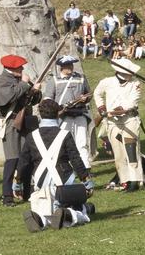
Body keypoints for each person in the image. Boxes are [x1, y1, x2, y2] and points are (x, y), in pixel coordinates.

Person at [24, 99, 94, 231]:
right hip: (64, 181)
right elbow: (75, 160)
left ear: (40, 114)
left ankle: (40, 220)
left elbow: (23, 163)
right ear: (58, 114)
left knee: (45, 209)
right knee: (81, 212)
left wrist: (17, 183)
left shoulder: (31, 136)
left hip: (40, 183)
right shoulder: (65, 134)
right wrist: (86, 180)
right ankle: (68, 214)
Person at [0, 55, 35, 205]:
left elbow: (32, 99)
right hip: (11, 121)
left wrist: (35, 90)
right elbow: (10, 97)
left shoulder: (20, 80)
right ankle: (7, 195)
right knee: (12, 159)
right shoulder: (0, 81)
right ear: (11, 68)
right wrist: (25, 84)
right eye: (19, 67)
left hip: (26, 120)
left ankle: (27, 192)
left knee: (27, 159)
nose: (22, 69)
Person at [93, 64, 145, 191]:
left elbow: (133, 102)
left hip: (129, 120)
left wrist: (118, 110)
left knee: (132, 149)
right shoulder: (106, 82)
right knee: (118, 152)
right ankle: (124, 180)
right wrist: (102, 108)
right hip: (112, 122)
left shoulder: (135, 83)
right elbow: (97, 94)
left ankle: (135, 180)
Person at [42, 54, 92, 167]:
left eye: (71, 65)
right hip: (63, 115)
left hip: (80, 113)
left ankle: (85, 167)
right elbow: (48, 99)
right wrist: (58, 110)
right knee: (63, 142)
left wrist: (85, 98)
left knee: (82, 142)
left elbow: (89, 94)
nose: (70, 67)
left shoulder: (81, 77)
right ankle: (64, 166)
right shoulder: (54, 80)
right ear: (61, 67)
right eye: (67, 65)